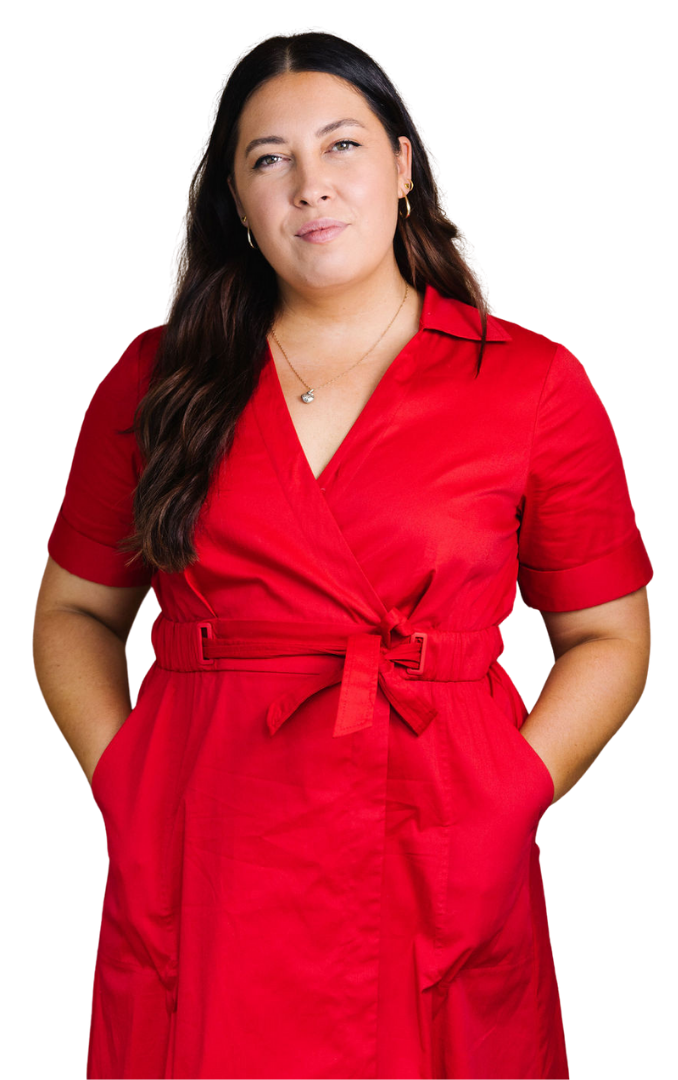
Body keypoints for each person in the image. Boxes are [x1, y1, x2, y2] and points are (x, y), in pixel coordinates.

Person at [32, 30, 653, 1080]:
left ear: (404, 167)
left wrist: (510, 793)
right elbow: (74, 611)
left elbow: (607, 633)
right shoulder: (154, 377)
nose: (310, 184)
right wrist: (126, 781)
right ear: (238, 203)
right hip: (208, 837)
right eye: (269, 158)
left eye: (343, 145)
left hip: (437, 833)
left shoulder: (532, 382)